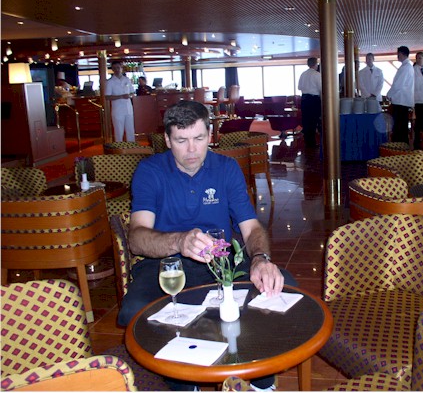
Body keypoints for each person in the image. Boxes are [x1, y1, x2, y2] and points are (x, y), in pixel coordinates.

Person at [119, 101, 293, 390]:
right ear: (167, 140)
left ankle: (259, 374)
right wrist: (179, 241)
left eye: (199, 138)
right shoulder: (150, 171)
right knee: (135, 310)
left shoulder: (226, 168)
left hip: (222, 262)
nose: (191, 150)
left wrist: (260, 259)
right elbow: (137, 238)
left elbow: (251, 228)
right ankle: (182, 379)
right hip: (167, 265)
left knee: (281, 286)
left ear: (210, 135)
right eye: (181, 140)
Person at [386, 46, 414, 144]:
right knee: (401, 126)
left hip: (401, 102)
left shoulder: (406, 67)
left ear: (402, 54)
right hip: (402, 101)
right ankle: (401, 145)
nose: (397, 56)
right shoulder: (406, 66)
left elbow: (398, 84)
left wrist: (389, 94)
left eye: (398, 54)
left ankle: (399, 146)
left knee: (399, 127)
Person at [105, 60, 135, 142]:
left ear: (121, 68)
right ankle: (119, 147)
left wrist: (129, 95)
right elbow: (107, 97)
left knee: (130, 130)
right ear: (112, 69)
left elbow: (132, 92)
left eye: (118, 67)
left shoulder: (127, 80)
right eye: (114, 68)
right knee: (118, 131)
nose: (117, 70)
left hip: (128, 109)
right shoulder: (110, 82)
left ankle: (132, 146)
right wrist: (121, 96)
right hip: (117, 110)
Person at [297, 57, 322, 147]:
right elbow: (321, 88)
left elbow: (299, 87)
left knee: (306, 120)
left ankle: (308, 142)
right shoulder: (317, 75)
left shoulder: (303, 74)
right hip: (314, 99)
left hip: (304, 99)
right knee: (314, 120)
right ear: (316, 64)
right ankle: (312, 142)